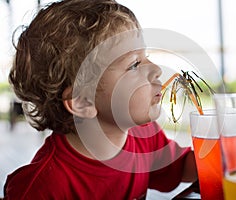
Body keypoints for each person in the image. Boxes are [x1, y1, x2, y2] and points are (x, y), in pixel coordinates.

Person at [4, 0, 197, 199]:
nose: (156, 70)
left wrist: (226, 149)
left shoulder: (144, 135)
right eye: (134, 64)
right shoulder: (42, 188)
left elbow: (182, 168)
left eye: (146, 55)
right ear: (83, 101)